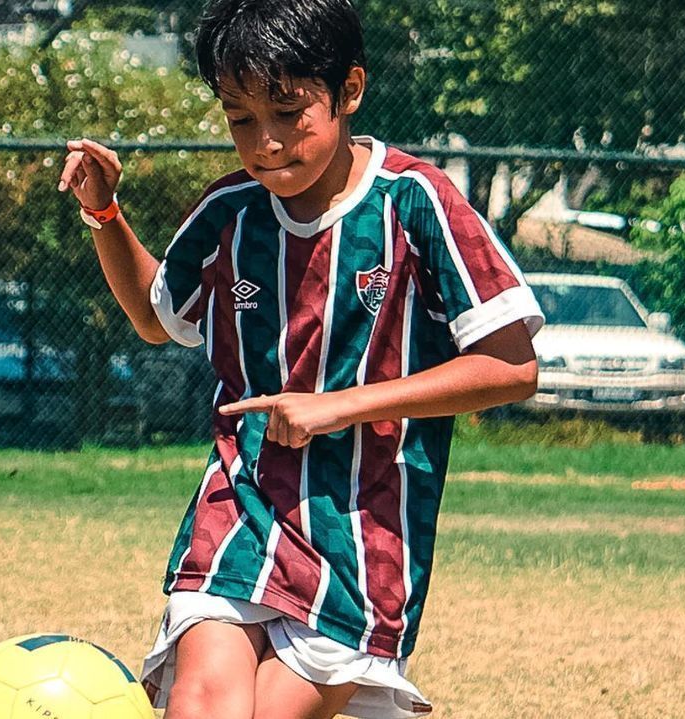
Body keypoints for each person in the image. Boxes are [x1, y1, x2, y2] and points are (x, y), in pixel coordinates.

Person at [57, 1, 544, 716]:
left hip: (361, 531)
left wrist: (338, 405)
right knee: (200, 701)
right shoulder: (230, 210)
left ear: (349, 91)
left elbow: (513, 365)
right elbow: (156, 318)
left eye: (288, 113)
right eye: (241, 118)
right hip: (240, 501)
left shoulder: (415, 202)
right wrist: (105, 212)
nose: (267, 142)